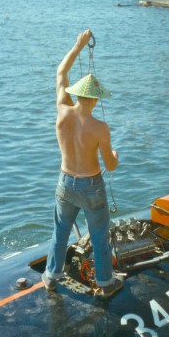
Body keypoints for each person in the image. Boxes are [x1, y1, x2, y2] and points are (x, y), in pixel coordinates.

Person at [42, 29, 122, 298]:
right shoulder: (100, 127)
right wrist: (117, 156)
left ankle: (51, 276)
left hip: (65, 182)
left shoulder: (62, 111)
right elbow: (110, 166)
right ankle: (105, 282)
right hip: (91, 186)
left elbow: (60, 73)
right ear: (96, 98)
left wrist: (78, 46)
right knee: (99, 235)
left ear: (76, 94)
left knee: (60, 232)